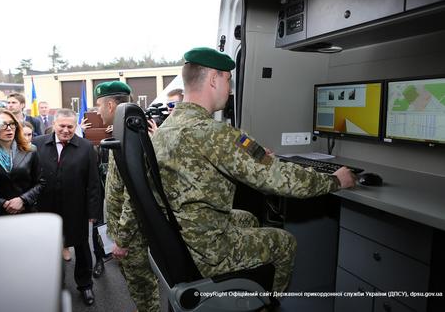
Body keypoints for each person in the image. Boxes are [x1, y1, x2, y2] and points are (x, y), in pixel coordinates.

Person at [151, 47, 357, 293]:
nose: (230, 89)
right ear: (214, 79)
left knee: (248, 218)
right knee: (285, 242)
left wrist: (253, 159)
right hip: (207, 251)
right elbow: (280, 180)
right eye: (228, 80)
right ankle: (264, 304)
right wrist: (335, 180)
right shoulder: (213, 133)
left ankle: (245, 288)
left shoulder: (166, 128)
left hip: (181, 236)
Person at [96, 81, 160, 312]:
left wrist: (121, 239)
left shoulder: (130, 139)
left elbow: (135, 195)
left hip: (133, 235)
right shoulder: (124, 134)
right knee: (137, 285)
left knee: (142, 284)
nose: (97, 111)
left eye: (99, 105)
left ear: (111, 105)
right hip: (124, 230)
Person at [32, 108, 100, 306]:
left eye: (70, 126)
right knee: (49, 249)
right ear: (54, 125)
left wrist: (93, 212)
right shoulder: (37, 144)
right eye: (62, 126)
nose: (66, 130)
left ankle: (85, 285)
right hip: (45, 208)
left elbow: (93, 183)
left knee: (81, 247)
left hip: (76, 207)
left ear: (75, 127)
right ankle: (54, 286)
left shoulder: (86, 147)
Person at [0, 109, 45, 215]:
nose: (9, 128)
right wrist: (4, 203)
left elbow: (41, 183)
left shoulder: (30, 150)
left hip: (26, 210)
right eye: (2, 125)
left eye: (12, 124)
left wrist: (22, 200)